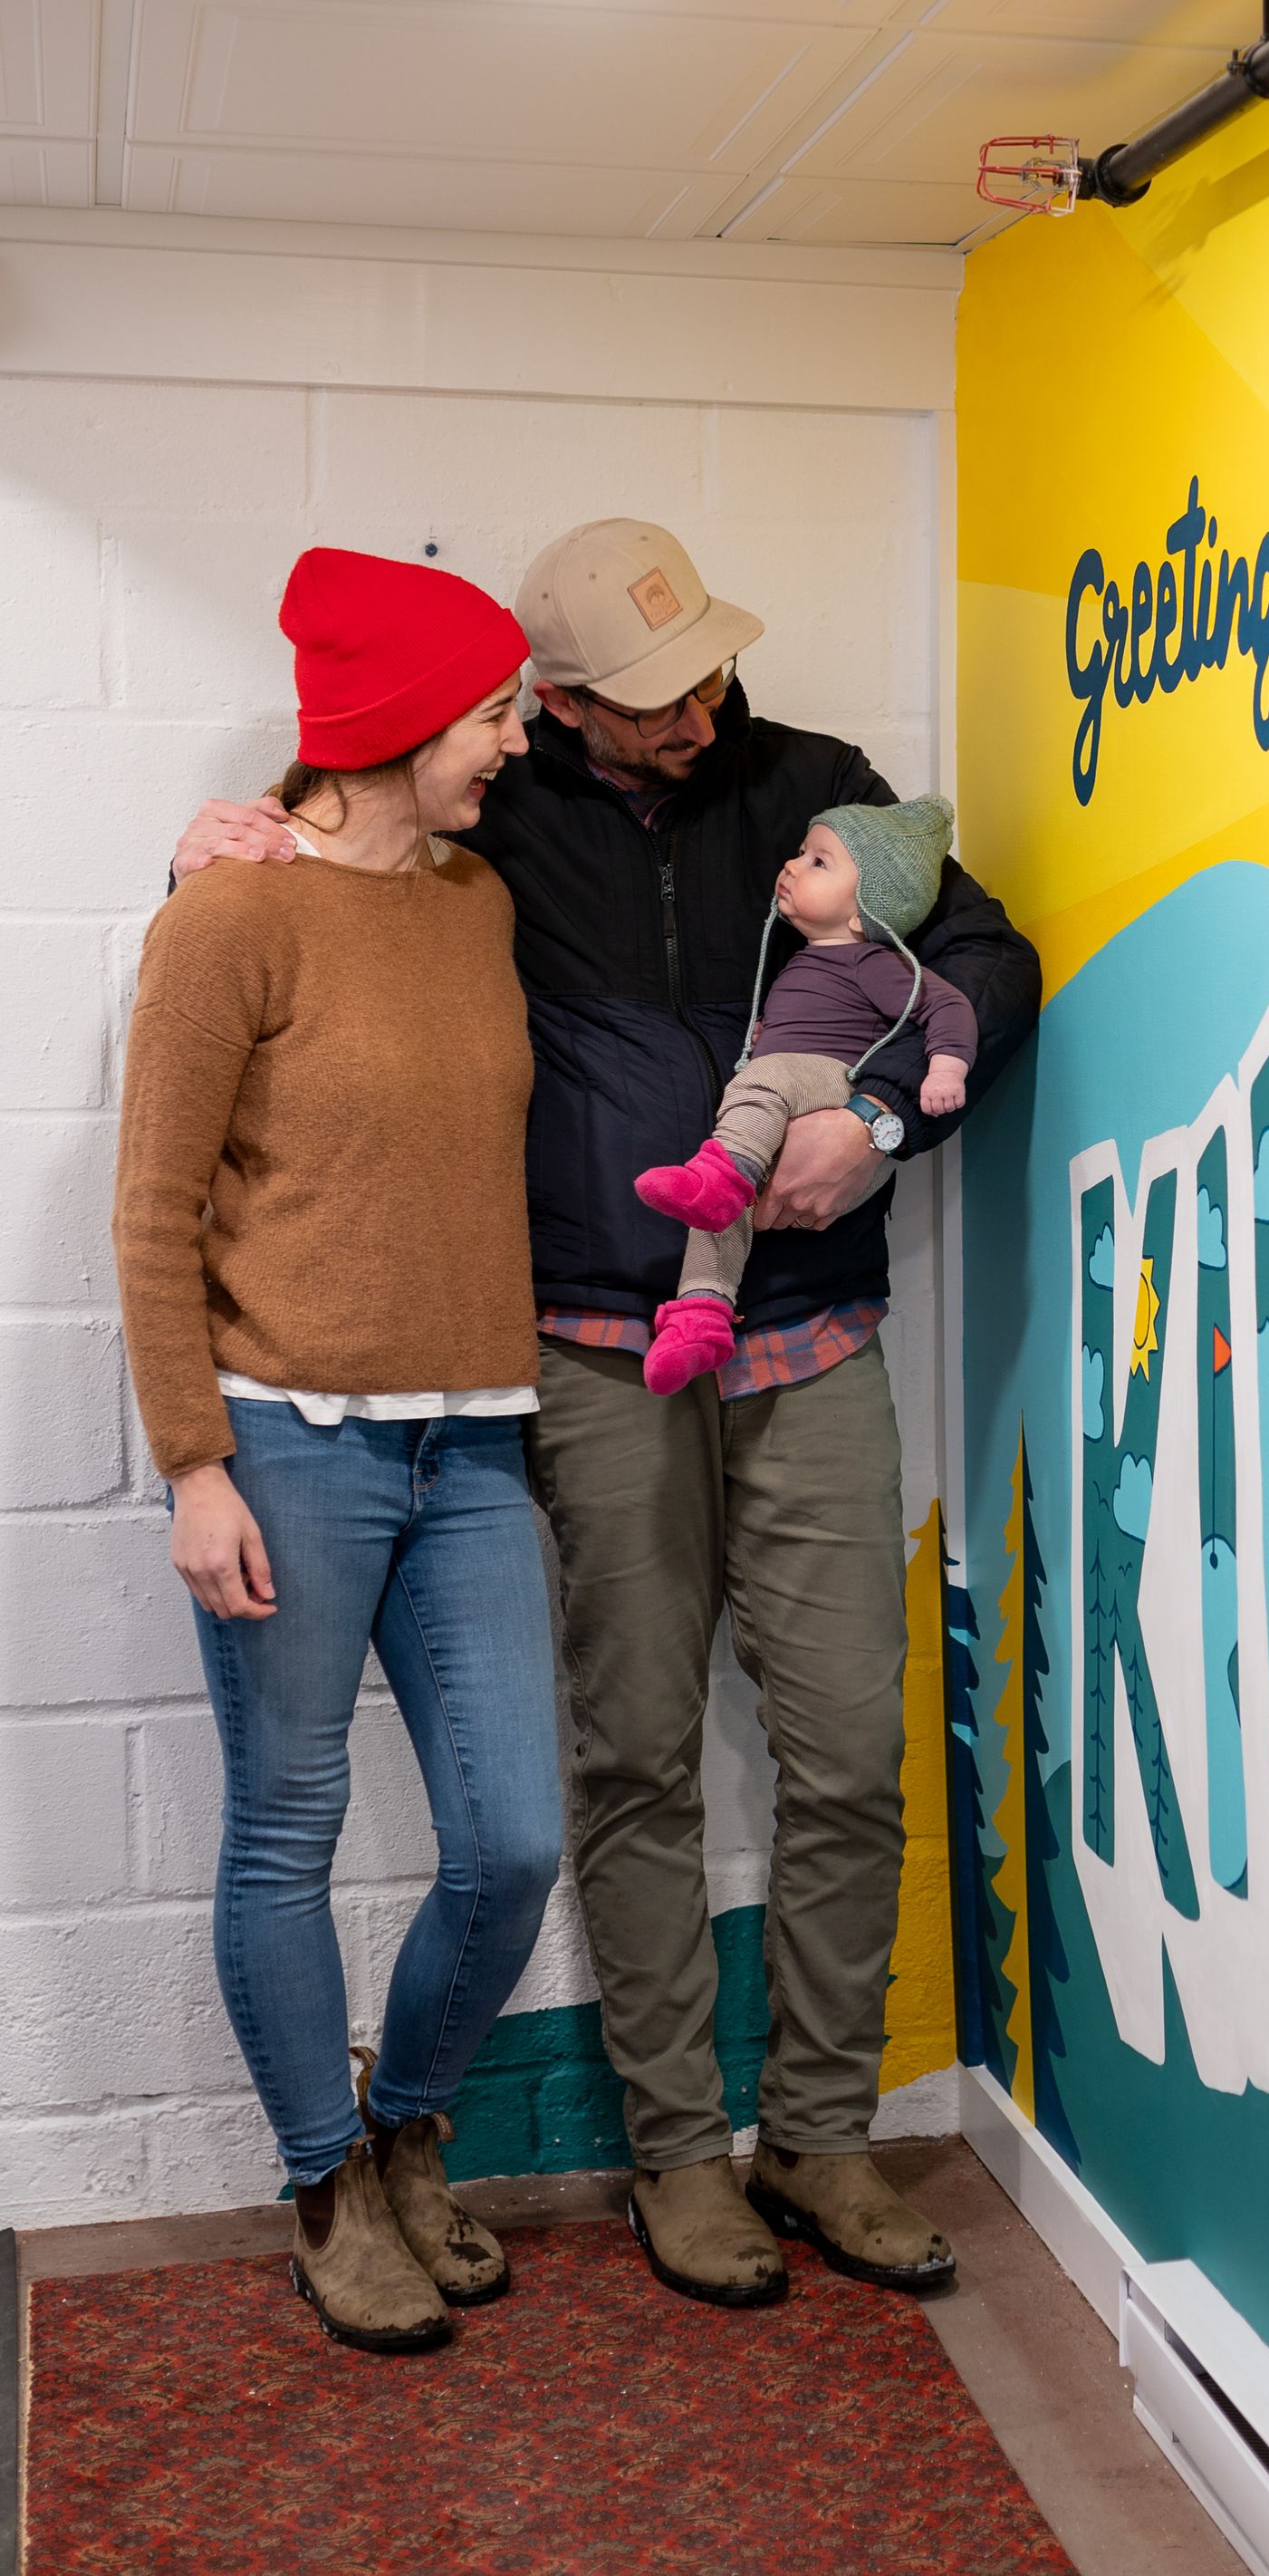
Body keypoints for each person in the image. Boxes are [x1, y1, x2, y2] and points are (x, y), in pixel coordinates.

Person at [173, 518, 1042, 2311]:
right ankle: (674, 2154)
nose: (700, 708)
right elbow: (317, 897)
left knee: (847, 1755)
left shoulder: (821, 789)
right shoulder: (496, 826)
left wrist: (880, 1128)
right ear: (551, 700)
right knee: (629, 1764)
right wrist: (198, 846)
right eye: (651, 696)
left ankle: (818, 2126)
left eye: (713, 663)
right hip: (579, 1361)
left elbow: (992, 961)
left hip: (810, 1343)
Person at [116, 549, 565, 2354]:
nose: (514, 744)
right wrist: (191, 1461)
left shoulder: (477, 906)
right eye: (490, 713)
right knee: (284, 1826)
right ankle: (323, 2180)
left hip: (471, 1441)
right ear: (391, 726)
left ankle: (406, 2128)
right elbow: (152, 1218)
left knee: (510, 1840)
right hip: (284, 1442)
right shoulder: (225, 918)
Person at [635, 795, 976, 1394]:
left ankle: (723, 1172)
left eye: (819, 862)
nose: (792, 865)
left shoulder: (871, 960)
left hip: (831, 1086)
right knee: (722, 1214)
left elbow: (944, 1003)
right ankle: (700, 1317)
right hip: (795, 1086)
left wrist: (946, 1067)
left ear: (863, 909)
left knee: (764, 1086)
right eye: (799, 852)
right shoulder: (802, 961)